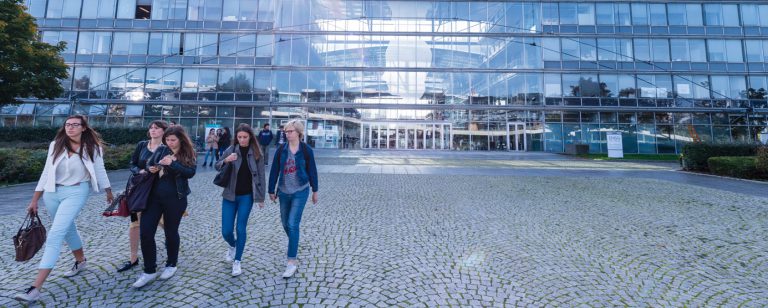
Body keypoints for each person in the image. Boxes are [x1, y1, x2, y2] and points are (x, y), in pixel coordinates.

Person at [15, 115, 113, 303]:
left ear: (84, 127)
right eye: (67, 124)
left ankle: (35, 289)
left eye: (75, 125)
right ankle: (81, 261)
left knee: (56, 234)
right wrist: (35, 199)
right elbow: (46, 172)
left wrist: (109, 192)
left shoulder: (93, 147)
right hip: (52, 193)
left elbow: (100, 171)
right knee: (68, 229)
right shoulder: (56, 144)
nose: (70, 128)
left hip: (77, 191)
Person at [132, 126, 197, 288]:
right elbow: (148, 163)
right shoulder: (162, 149)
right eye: (167, 140)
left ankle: (171, 264)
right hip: (153, 198)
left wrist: (173, 164)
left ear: (181, 139)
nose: (170, 143)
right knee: (146, 232)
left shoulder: (187, 152)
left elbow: (190, 172)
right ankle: (149, 270)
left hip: (176, 199)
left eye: (173, 140)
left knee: (171, 232)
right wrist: (151, 168)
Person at [268, 119, 319, 279]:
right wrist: (271, 189)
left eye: (290, 131)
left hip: (300, 191)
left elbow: (313, 170)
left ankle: (291, 262)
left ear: (298, 132)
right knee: (285, 223)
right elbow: (275, 169)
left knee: (292, 223)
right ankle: (294, 243)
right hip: (283, 191)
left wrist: (315, 190)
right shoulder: (281, 149)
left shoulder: (306, 150)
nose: (287, 134)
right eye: (285, 132)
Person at [117, 120, 168, 273]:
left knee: (166, 224)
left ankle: (171, 246)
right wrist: (140, 171)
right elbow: (132, 163)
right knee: (134, 225)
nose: (153, 130)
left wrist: (159, 168)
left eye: (157, 128)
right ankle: (133, 258)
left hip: (158, 192)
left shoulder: (167, 148)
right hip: (139, 192)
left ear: (163, 131)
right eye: (151, 128)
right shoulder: (141, 145)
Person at [215, 124, 266, 277]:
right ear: (236, 137)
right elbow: (217, 165)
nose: (242, 140)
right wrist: (226, 161)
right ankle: (232, 245)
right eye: (239, 137)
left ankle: (237, 261)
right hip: (230, 195)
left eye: (245, 137)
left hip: (247, 196)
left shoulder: (257, 153)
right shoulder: (230, 150)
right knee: (226, 231)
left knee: (241, 228)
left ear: (250, 137)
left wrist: (260, 197)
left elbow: (261, 176)